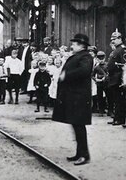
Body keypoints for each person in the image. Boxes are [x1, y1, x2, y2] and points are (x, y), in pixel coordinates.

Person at [52, 33, 93, 166]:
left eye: (74, 44)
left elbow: (84, 71)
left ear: (81, 46)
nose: (72, 45)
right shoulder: (78, 56)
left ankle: (84, 155)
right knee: (76, 125)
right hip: (74, 97)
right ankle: (79, 153)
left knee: (79, 126)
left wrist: (66, 75)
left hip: (79, 98)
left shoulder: (86, 57)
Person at [107, 30, 126, 126]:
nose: (112, 41)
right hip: (113, 78)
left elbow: (124, 65)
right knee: (116, 99)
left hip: (118, 78)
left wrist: (123, 79)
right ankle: (116, 117)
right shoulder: (116, 49)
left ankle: (120, 119)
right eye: (112, 39)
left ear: (120, 39)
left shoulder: (122, 49)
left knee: (119, 100)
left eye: (114, 39)